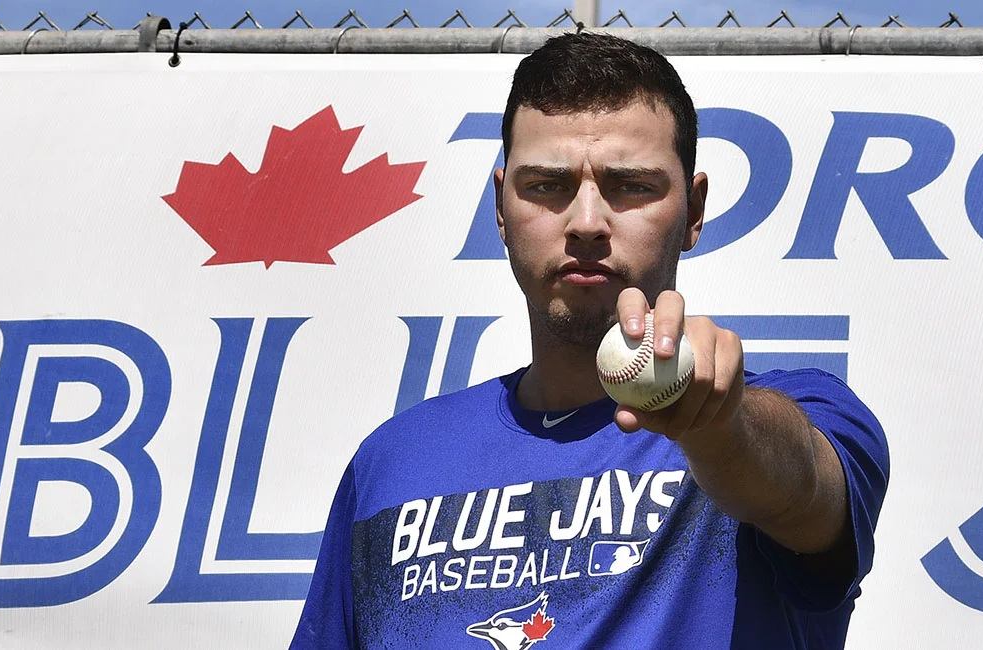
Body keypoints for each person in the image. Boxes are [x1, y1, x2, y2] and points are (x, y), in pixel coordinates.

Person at [290, 32, 888, 649]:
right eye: (547, 185)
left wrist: (719, 431)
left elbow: (803, 492)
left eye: (631, 185)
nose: (586, 223)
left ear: (694, 210)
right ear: (500, 206)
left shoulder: (801, 415)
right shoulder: (393, 461)